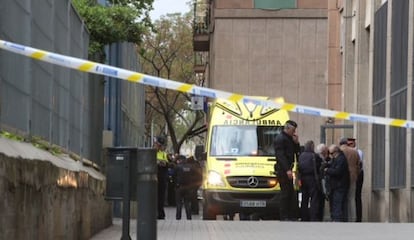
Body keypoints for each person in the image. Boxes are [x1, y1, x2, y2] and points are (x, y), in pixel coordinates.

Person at [274, 120, 300, 221]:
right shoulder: (280, 139)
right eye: (293, 130)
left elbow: (296, 152)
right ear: (287, 128)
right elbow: (281, 156)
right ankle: (284, 215)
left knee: (290, 192)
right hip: (283, 170)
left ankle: (290, 214)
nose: (294, 132)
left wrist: (296, 143)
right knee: (285, 193)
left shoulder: (289, 139)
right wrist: (287, 170)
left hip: (288, 168)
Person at [323, 144, 350, 222]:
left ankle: (337, 220)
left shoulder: (341, 159)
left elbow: (337, 171)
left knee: (337, 204)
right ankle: (340, 220)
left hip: (339, 185)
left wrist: (327, 170)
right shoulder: (337, 159)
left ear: (336, 152)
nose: (331, 155)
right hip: (337, 185)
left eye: (331, 153)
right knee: (339, 204)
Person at [298, 140, 323, 221]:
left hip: (303, 178)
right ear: (312, 146)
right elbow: (320, 165)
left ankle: (303, 216)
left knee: (304, 198)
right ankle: (313, 216)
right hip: (312, 178)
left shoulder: (301, 156)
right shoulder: (314, 156)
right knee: (314, 198)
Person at [339, 137, 360, 222]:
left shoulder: (339, 151)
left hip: (341, 177)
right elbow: (359, 164)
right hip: (353, 176)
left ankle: (343, 217)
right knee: (351, 198)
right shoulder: (354, 152)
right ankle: (352, 218)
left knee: (341, 197)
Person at [347, 137, 364, 222]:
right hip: (354, 174)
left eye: (351, 144)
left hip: (358, 174)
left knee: (357, 196)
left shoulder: (358, 152)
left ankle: (358, 217)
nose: (349, 145)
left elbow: (359, 163)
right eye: (348, 144)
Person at [174, 155, 195, 220]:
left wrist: (175, 185)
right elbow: (193, 176)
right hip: (188, 187)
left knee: (179, 203)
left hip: (179, 187)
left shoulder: (177, 167)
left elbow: (174, 176)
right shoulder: (190, 167)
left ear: (180, 160)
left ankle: (178, 217)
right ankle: (189, 217)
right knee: (187, 203)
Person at [154, 136, 169, 219]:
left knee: (161, 197)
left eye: (159, 145)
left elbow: (166, 163)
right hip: (153, 178)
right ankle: (154, 212)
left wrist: (161, 162)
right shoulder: (151, 152)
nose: (158, 146)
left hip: (161, 178)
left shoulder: (163, 153)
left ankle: (160, 213)